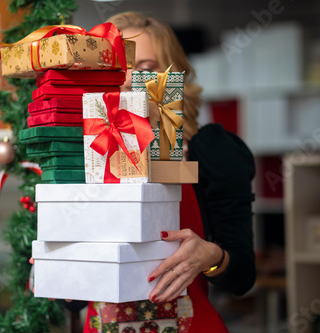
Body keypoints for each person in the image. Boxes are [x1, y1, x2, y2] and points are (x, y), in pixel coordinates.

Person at [82, 12, 256, 332]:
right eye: (116, 69)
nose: (129, 81)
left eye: (146, 69)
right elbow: (71, 301)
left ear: (173, 76)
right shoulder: (85, 161)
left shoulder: (212, 151)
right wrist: (61, 258)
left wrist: (211, 256)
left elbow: (243, 275)